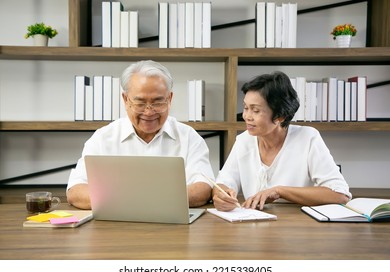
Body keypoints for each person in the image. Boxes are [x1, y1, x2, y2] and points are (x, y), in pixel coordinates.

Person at [67, 60, 214, 209]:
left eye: (157, 102)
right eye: (140, 103)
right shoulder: (103, 138)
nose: (149, 112)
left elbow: (204, 188)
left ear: (169, 99)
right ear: (125, 100)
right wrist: (142, 200)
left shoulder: (189, 137)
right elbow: (75, 191)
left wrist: (134, 198)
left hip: (175, 227)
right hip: (115, 226)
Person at [213, 71, 352, 212]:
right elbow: (223, 183)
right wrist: (221, 195)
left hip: (298, 225)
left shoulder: (308, 138)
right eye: (245, 108)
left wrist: (279, 191)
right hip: (253, 225)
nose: (247, 116)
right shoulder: (243, 141)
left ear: (280, 116)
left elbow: (340, 195)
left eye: (255, 110)